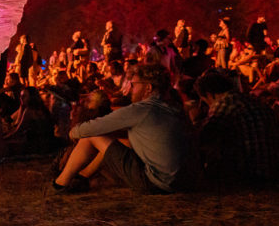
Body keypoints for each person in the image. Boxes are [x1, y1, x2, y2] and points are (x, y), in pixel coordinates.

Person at [52, 63, 193, 194]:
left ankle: (60, 183)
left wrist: (73, 132)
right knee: (124, 140)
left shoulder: (141, 110)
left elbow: (92, 128)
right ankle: (83, 177)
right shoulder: (174, 108)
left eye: (133, 85)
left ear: (148, 88)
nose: (130, 90)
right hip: (184, 181)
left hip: (156, 183)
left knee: (93, 136)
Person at [195, 70, 279, 185]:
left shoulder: (224, 103)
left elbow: (204, 137)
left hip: (251, 174)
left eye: (205, 101)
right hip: (275, 170)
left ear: (209, 95)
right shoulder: (253, 100)